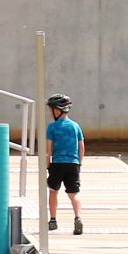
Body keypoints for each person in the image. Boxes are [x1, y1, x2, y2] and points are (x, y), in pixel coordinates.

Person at [44, 94, 86, 235]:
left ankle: (53, 220)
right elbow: (82, 147)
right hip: (73, 163)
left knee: (53, 191)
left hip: (57, 164)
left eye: (51, 110)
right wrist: (79, 163)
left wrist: (47, 163)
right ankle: (78, 218)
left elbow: (48, 149)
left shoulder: (52, 127)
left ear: (57, 110)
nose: (51, 113)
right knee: (74, 194)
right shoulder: (76, 126)